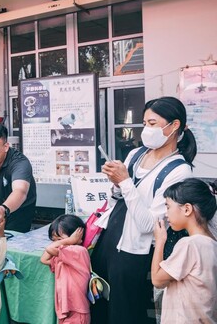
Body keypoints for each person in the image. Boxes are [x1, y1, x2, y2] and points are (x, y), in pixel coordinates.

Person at [91, 96, 197, 324]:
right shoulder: (136, 154)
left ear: (174, 126)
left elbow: (149, 225)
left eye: (152, 124)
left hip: (134, 251)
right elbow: (118, 198)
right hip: (110, 238)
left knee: (125, 313)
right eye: (144, 124)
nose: (146, 130)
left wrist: (126, 182)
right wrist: (116, 184)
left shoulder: (179, 171)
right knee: (99, 305)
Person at [151, 178, 217, 323]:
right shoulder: (212, 245)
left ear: (187, 209)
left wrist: (160, 240)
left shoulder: (189, 245)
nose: (166, 214)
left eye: (168, 207)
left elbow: (157, 280)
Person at [40, 215, 90, 324]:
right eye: (54, 240)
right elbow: (43, 259)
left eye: (60, 240)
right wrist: (67, 240)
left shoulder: (78, 251)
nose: (56, 243)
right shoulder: (62, 255)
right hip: (66, 309)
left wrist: (70, 240)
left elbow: (49, 249)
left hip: (77, 310)